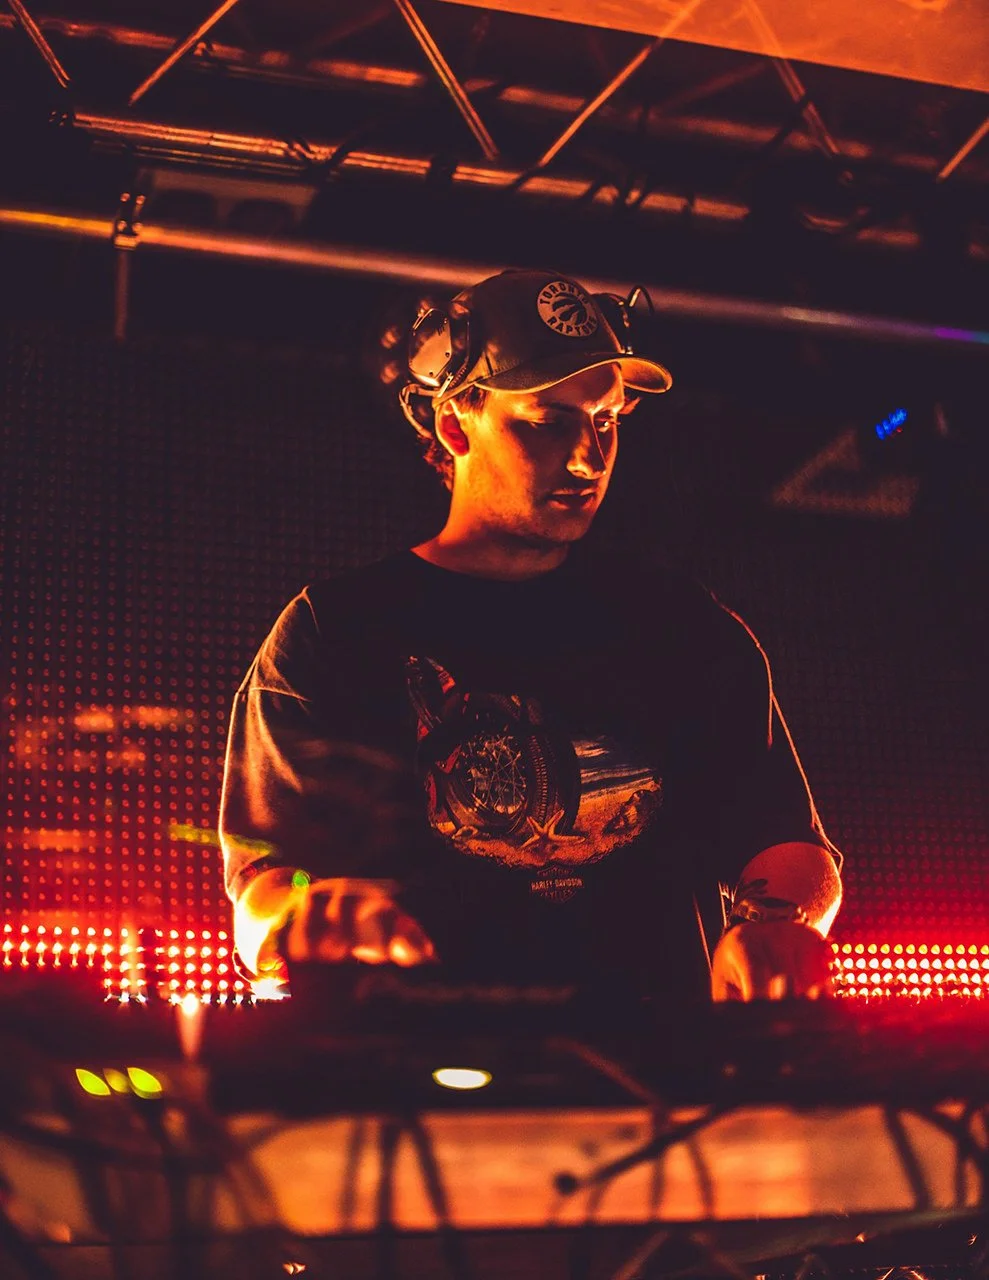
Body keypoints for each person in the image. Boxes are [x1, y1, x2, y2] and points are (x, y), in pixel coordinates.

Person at [219, 268, 842, 1005]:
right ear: (455, 427)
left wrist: (776, 924)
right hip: (411, 1066)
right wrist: (302, 910)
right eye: (547, 421)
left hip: (662, 1062)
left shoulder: (684, 625)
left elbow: (784, 839)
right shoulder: (334, 629)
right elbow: (264, 884)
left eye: (606, 421)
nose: (587, 457)